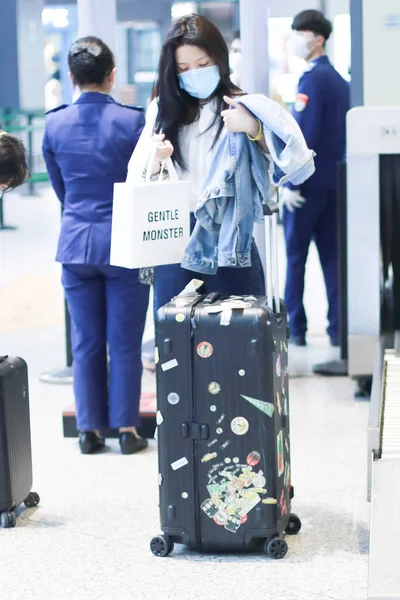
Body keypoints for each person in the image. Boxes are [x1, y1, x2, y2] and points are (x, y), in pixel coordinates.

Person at [42, 37, 149, 455]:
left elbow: (60, 188)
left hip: (75, 243)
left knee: (85, 342)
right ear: (112, 75)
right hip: (123, 244)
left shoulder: (54, 124)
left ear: (71, 77)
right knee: (125, 341)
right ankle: (126, 429)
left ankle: (88, 430)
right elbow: (142, 184)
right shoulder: (132, 122)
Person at [128, 14, 270, 312]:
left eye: (203, 65)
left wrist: (252, 127)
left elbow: (281, 159)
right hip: (176, 234)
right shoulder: (162, 109)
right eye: (183, 69)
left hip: (229, 236)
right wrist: (156, 159)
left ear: (219, 58)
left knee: (237, 337)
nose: (194, 73)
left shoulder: (242, 103)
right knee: (177, 337)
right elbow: (138, 177)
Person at [282, 10, 349, 346]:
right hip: (335, 184)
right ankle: (338, 329)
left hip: (306, 188)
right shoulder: (340, 80)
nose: (294, 38)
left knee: (295, 258)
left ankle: (296, 329)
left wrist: (290, 185)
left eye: (299, 31)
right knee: (333, 259)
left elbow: (304, 137)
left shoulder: (311, 79)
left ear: (317, 38)